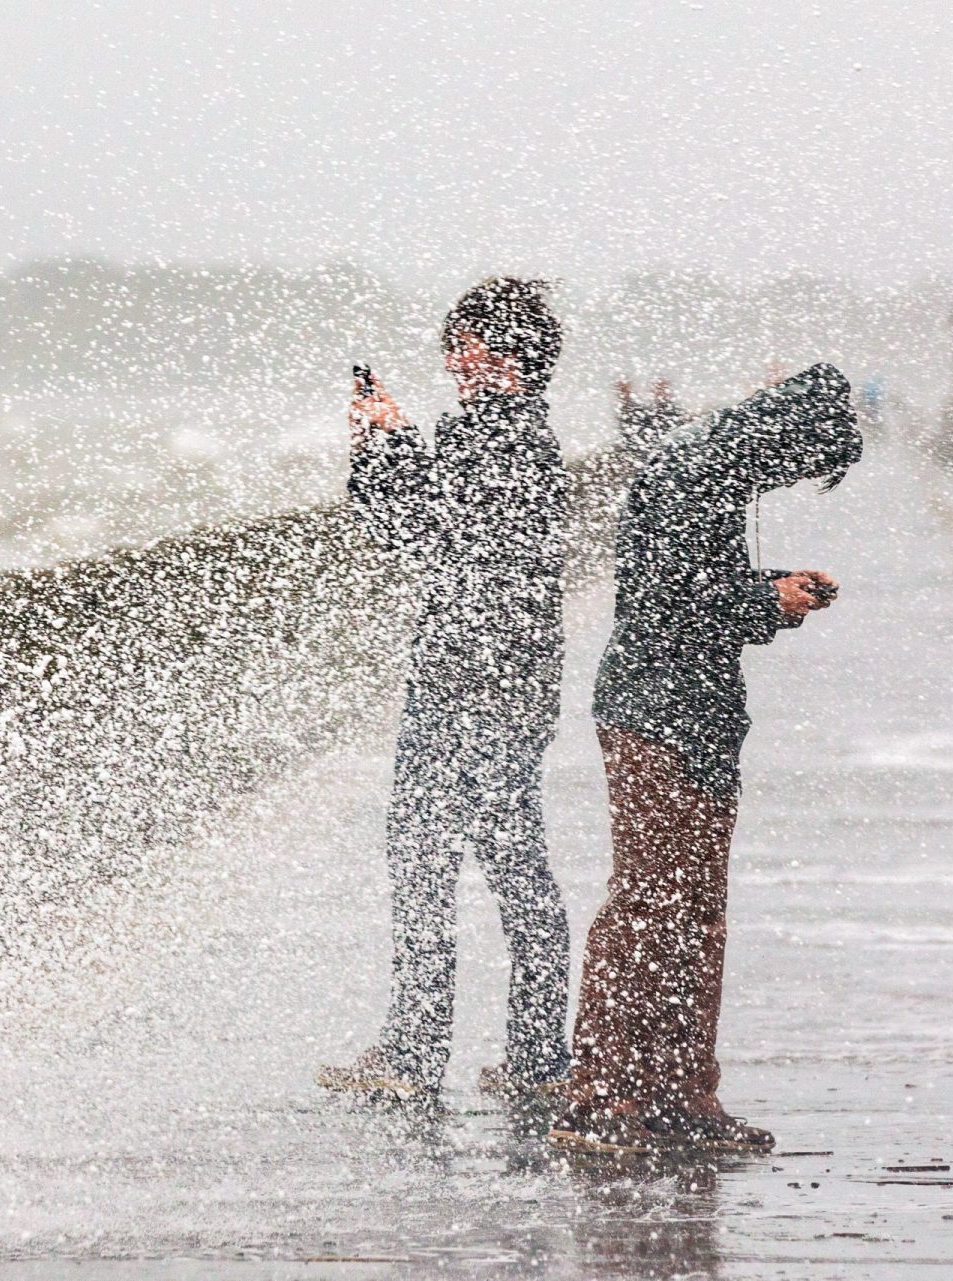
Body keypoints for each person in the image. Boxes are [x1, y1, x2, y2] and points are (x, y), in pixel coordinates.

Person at [547, 363, 863, 1155]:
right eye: (798, 466)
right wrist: (770, 600)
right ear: (780, 440)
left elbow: (694, 587)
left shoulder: (707, 469)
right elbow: (671, 604)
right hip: (657, 718)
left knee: (694, 913)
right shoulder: (695, 476)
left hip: (697, 717)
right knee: (649, 904)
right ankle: (600, 1095)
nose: (791, 480)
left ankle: (681, 1091)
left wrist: (771, 586)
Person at [318, 278, 572, 1103]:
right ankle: (537, 1059)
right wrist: (389, 449)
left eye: (460, 345)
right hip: (514, 674)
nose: (451, 362)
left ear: (493, 352)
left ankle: (412, 1056)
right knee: (514, 862)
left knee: (426, 859)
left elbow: (423, 536)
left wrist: (383, 445)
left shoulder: (490, 433)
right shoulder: (524, 434)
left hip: (466, 677)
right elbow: (448, 533)